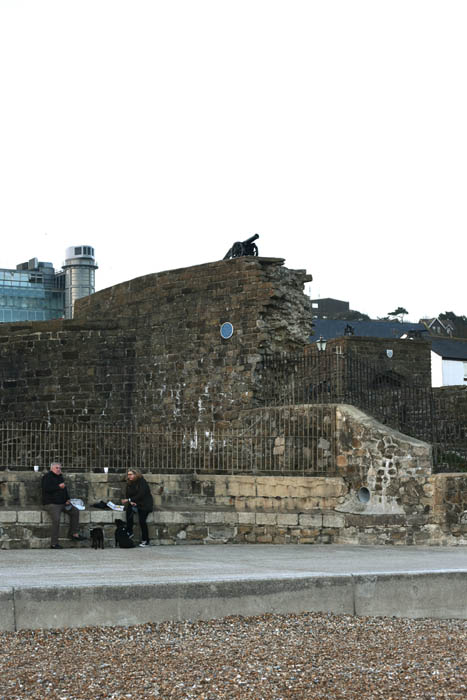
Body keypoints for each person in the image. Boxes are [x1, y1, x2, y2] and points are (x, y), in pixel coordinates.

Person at [42, 462, 86, 549]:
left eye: (60, 468)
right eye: (57, 468)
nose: (59, 469)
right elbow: (46, 489)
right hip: (52, 504)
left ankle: (74, 534)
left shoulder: (60, 477)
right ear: (52, 469)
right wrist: (58, 487)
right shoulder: (47, 477)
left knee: (75, 511)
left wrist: (67, 499)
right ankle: (54, 543)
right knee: (56, 520)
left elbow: (64, 490)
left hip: (63, 503)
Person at [122, 469, 154, 547]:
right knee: (129, 511)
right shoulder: (129, 483)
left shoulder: (142, 482)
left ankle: (146, 540)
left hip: (145, 504)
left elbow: (141, 494)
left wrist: (130, 500)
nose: (129, 476)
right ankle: (130, 531)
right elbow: (128, 494)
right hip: (135, 503)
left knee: (142, 521)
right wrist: (130, 501)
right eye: (128, 475)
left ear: (136, 474)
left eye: (131, 474)